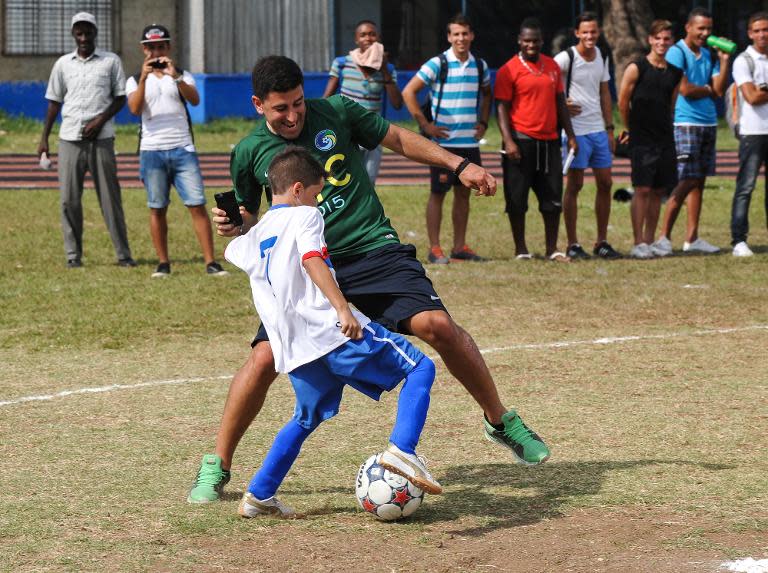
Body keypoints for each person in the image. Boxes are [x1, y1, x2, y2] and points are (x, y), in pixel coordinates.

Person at [187, 55, 550, 504]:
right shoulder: (248, 151)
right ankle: (217, 466)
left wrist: (459, 165)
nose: (294, 115)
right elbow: (253, 214)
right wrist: (236, 223)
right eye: (281, 108)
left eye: (299, 103)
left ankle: (501, 421)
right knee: (262, 359)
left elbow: (396, 137)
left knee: (438, 327)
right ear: (258, 104)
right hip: (309, 269)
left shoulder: (336, 110)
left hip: (373, 249)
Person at [227, 146, 441, 518]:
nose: (316, 201)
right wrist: (343, 308)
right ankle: (403, 450)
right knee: (420, 369)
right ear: (297, 190)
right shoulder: (306, 216)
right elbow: (312, 259)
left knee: (305, 418)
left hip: (293, 349)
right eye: (314, 193)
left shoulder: (251, 237)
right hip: (330, 332)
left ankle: (259, 495)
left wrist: (238, 224)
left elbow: (239, 248)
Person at [125, 24, 227, 277]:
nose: (156, 52)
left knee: (197, 204)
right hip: (151, 151)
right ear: (143, 50)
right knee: (157, 207)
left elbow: (194, 99)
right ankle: (163, 263)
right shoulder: (134, 78)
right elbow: (135, 109)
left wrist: (176, 76)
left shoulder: (182, 75)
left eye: (161, 46)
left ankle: (210, 262)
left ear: (168, 48)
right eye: (151, 48)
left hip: (183, 148)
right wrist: (143, 77)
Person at [38, 12, 135, 269]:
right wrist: (44, 138)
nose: (83, 38)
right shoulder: (63, 64)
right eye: (79, 33)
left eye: (87, 32)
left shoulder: (110, 61)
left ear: (95, 33)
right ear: (73, 35)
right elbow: (54, 102)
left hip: (101, 140)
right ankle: (73, 255)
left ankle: (123, 254)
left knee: (110, 199)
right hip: (69, 139)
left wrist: (99, 120)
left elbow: (120, 98)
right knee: (69, 200)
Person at [402, 13, 491, 264]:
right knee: (438, 193)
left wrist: (483, 122)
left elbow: (487, 93)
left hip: (469, 142)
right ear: (449, 37)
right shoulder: (437, 63)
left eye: (465, 33)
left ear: (471, 35)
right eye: (456, 34)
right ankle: (435, 248)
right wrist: (425, 125)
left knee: (464, 194)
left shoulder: (480, 65)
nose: (461, 38)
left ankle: (460, 246)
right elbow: (409, 91)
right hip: (442, 145)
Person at [494, 18, 577, 262]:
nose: (531, 44)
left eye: (536, 40)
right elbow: (501, 108)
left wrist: (570, 135)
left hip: (549, 142)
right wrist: (508, 141)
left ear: (542, 41)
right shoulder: (509, 69)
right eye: (527, 40)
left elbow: (560, 103)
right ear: (519, 41)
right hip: (521, 141)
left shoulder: (551, 66)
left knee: (552, 198)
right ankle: (521, 249)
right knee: (517, 199)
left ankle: (552, 249)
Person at [655, 7, 729, 255]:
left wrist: (724, 61)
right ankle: (663, 238)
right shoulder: (677, 52)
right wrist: (708, 88)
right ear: (688, 27)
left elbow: (718, 90)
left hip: (708, 123)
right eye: (701, 28)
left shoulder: (708, 54)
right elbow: (685, 89)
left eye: (709, 29)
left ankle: (692, 238)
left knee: (699, 181)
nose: (705, 33)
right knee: (686, 179)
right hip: (686, 123)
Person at [554, 12, 621, 260]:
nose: (590, 36)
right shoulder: (566, 57)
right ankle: (572, 243)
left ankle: (601, 241)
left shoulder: (600, 55)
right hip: (575, 132)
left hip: (598, 130)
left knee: (605, 183)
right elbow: (548, 80)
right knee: (575, 185)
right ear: (577, 33)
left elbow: (604, 92)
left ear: (598, 33)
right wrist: (561, 103)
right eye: (585, 32)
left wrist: (610, 127)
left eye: (594, 32)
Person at [617, 20, 683, 259]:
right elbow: (623, 102)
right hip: (641, 139)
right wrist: (629, 128)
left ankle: (649, 240)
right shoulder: (636, 67)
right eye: (658, 38)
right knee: (642, 189)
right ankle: (637, 243)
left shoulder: (676, 73)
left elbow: (671, 106)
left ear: (671, 41)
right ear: (650, 40)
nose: (662, 43)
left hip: (664, 138)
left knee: (658, 191)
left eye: (667, 39)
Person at [322, 20, 402, 185]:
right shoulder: (342, 63)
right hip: (347, 132)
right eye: (363, 34)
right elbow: (327, 96)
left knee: (368, 182)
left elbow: (397, 104)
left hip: (373, 133)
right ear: (356, 40)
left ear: (378, 38)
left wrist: (385, 69)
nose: (368, 38)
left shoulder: (388, 68)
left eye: (372, 34)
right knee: (345, 180)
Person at [730, 12, 768, 258]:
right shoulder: (744, 60)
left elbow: (759, 93)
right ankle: (738, 240)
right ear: (750, 33)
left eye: (766, 30)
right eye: (757, 31)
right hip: (753, 132)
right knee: (746, 186)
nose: (762, 35)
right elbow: (752, 97)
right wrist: (759, 91)